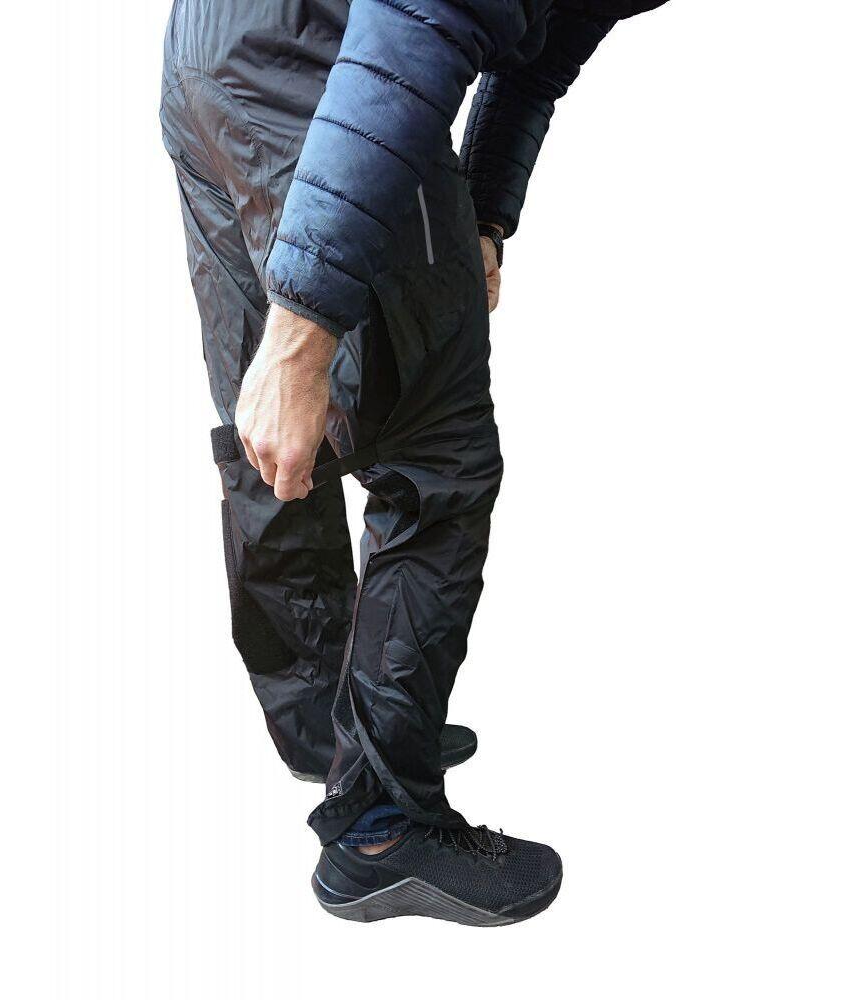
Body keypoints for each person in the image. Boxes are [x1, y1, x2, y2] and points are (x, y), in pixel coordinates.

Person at [161, 0, 670, 925]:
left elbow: (534, 62)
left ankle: (322, 721)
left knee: (274, 414)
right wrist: (305, 327)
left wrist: (485, 216)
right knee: (435, 456)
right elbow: (411, 39)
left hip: (219, 46)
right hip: (332, 65)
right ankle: (380, 825)